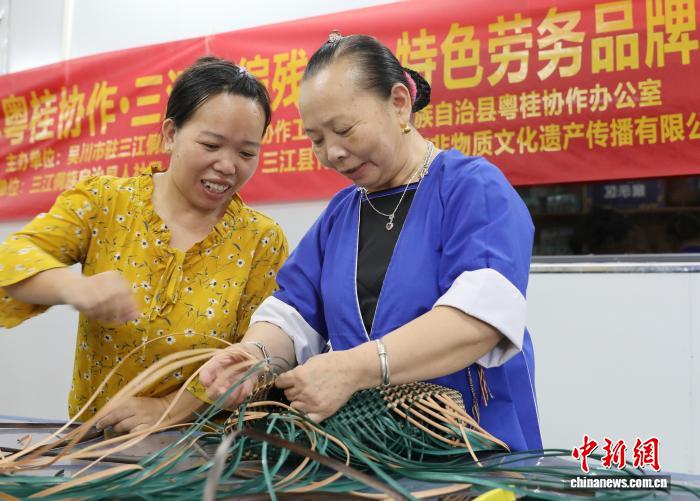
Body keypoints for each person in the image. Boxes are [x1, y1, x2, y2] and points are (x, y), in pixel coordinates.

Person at [200, 34, 541, 452]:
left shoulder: (471, 188)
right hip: (369, 452)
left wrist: (357, 368)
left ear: (398, 103)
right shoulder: (341, 214)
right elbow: (292, 313)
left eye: (344, 130)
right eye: (317, 139)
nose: (333, 153)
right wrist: (254, 356)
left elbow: (481, 319)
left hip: (473, 449)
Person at [0, 57, 288, 433]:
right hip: (97, 443)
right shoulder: (106, 202)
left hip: (202, 447)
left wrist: (168, 408)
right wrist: (73, 287)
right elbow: (10, 260)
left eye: (246, 153)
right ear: (170, 134)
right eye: (211, 144)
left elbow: (257, 358)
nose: (227, 165)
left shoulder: (261, 240)